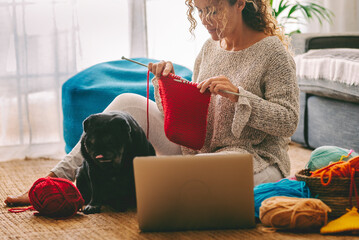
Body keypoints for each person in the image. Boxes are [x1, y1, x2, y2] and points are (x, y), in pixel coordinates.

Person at [5, 0, 299, 207]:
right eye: (198, 10)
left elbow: (288, 120)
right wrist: (169, 85)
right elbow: (194, 114)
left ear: (241, 2)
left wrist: (239, 96)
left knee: (176, 183)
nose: (205, 19)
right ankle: (55, 181)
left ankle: (120, 188)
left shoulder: (273, 53)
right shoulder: (210, 48)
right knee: (125, 102)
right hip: (197, 149)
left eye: (213, 9)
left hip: (254, 158)